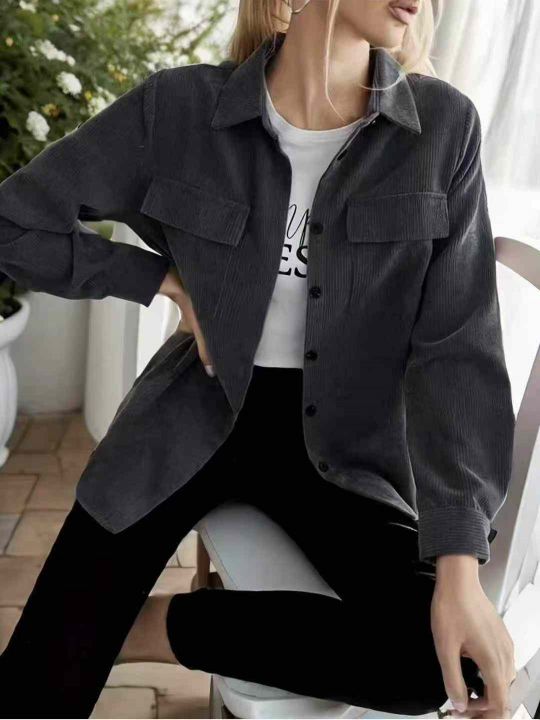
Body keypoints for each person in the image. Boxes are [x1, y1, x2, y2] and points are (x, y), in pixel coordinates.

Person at [0, 0, 517, 718]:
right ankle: (94, 627)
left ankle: (156, 627)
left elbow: (459, 351)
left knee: (436, 661)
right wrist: (161, 280)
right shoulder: (180, 110)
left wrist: (459, 570)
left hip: (347, 447)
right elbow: (15, 221)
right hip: (192, 417)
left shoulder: (442, 130)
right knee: (33, 692)